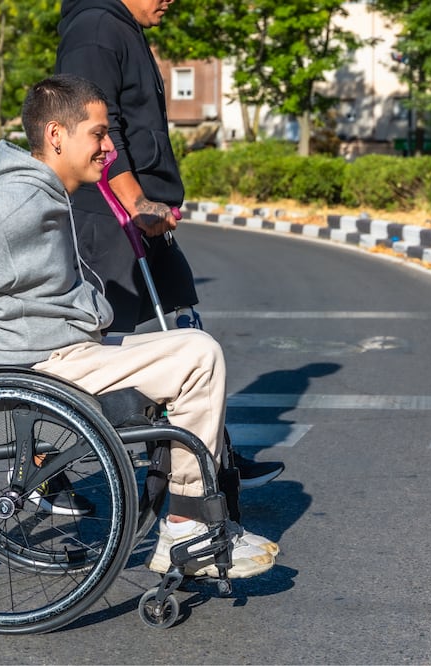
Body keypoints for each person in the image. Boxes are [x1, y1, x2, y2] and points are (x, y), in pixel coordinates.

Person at [0, 74, 277, 578]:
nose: (110, 147)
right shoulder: (17, 204)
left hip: (59, 348)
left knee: (189, 343)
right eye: (98, 134)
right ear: (56, 135)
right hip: (47, 363)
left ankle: (187, 513)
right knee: (198, 356)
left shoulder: (40, 193)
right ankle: (186, 527)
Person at [55, 0, 283, 489]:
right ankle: (37, 462)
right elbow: (96, 128)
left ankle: (210, 456)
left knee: (179, 322)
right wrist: (137, 201)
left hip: (144, 214)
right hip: (110, 216)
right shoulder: (96, 28)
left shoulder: (124, 28)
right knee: (96, 347)